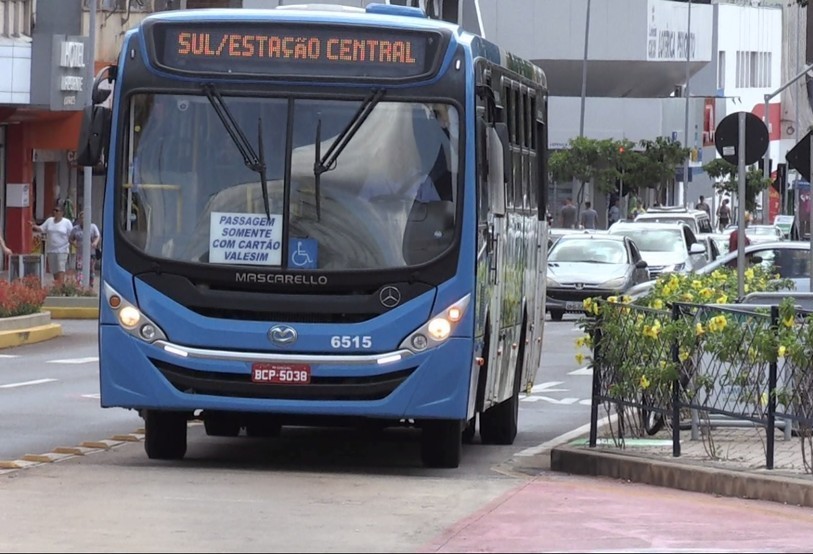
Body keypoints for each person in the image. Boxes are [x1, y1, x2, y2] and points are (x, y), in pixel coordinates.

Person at [31, 204, 73, 285]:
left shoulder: (66, 222)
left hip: (62, 250)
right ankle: (58, 285)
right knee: (54, 270)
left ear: (62, 212)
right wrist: (33, 226)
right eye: (54, 210)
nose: (55, 212)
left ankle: (60, 287)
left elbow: (71, 235)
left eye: (57, 210)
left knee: (61, 268)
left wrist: (72, 244)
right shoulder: (49, 220)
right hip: (51, 250)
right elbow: (41, 228)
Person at [69, 211, 101, 288]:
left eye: (84, 218)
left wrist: (95, 243)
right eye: (81, 218)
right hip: (80, 253)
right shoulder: (75, 228)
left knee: (91, 270)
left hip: (91, 252)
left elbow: (98, 236)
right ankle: (79, 284)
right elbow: (70, 239)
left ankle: (90, 285)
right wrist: (74, 244)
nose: (83, 219)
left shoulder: (92, 227)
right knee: (80, 269)